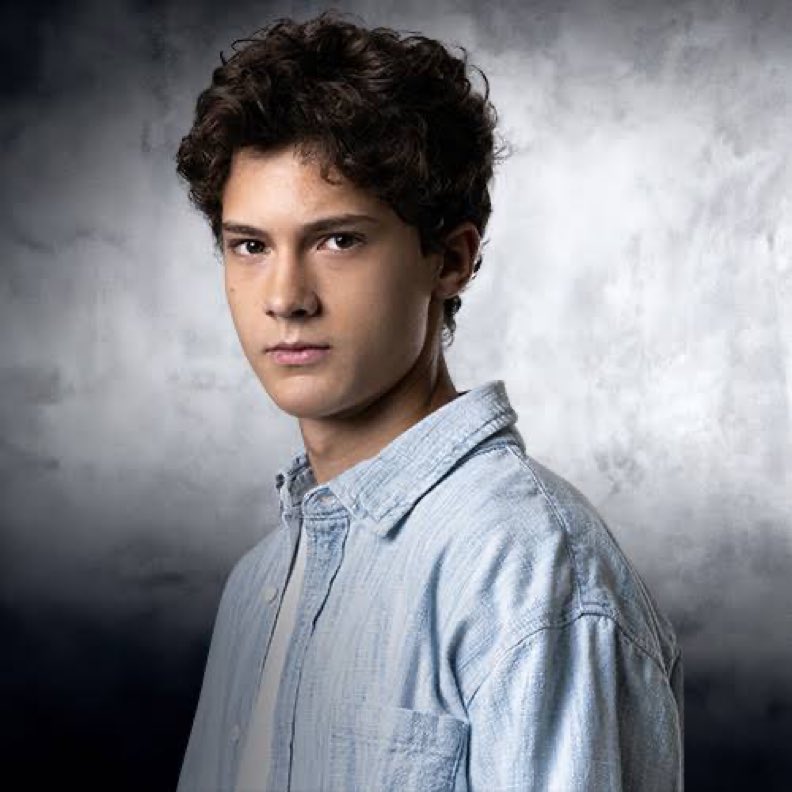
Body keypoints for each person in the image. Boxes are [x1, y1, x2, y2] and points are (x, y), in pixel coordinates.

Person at [173, 12, 683, 791]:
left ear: (450, 260)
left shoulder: (529, 573)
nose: (284, 297)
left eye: (338, 240)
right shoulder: (258, 585)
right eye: (251, 245)